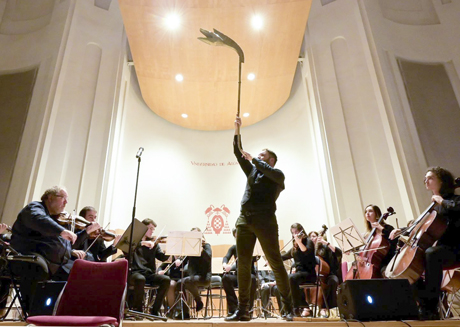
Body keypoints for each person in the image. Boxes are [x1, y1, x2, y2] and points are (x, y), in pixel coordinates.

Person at [225, 116, 293, 322]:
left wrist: (254, 159)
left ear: (271, 160)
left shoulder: (278, 175)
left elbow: (264, 168)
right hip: (244, 220)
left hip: (265, 221)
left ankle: (288, 308)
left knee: (275, 263)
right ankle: (243, 309)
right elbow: (238, 152)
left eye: (263, 155)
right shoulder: (253, 171)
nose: (258, 156)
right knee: (243, 264)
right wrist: (237, 130)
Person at [9, 186, 100, 311]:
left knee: (81, 270)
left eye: (67, 199)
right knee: (39, 265)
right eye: (62, 197)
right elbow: (38, 219)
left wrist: (86, 232)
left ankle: (70, 311)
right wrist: (61, 230)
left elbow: (69, 243)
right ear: (50, 198)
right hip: (30, 259)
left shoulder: (55, 219)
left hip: (56, 264)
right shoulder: (35, 208)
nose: (66, 202)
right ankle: (34, 313)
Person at [390, 167, 460, 320]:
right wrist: (401, 231)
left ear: (442, 181)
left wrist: (442, 201)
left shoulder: (454, 201)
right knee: (405, 267)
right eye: (425, 178)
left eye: (430, 178)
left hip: (456, 249)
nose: (425, 180)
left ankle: (431, 305)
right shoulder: (434, 207)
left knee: (431, 254)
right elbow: (418, 226)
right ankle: (426, 305)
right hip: (441, 250)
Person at [128, 218, 170, 316]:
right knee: (140, 279)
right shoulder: (133, 241)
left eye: (153, 229)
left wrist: (170, 249)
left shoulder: (154, 244)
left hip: (149, 274)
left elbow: (162, 258)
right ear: (142, 228)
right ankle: (138, 310)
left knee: (166, 279)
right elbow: (127, 249)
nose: (152, 231)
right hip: (135, 273)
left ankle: (155, 310)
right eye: (150, 228)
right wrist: (142, 243)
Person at [174, 227, 212, 320]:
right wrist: (178, 259)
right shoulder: (190, 248)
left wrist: (201, 249)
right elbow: (184, 260)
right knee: (179, 283)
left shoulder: (206, 246)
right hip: (192, 277)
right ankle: (184, 312)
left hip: (204, 278)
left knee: (187, 281)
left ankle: (198, 301)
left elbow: (208, 259)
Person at [281, 223, 316, 317]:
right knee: (285, 280)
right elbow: (285, 256)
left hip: (309, 273)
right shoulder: (295, 246)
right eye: (293, 233)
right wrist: (272, 259)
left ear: (301, 231)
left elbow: (306, 252)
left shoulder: (308, 241)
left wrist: (299, 241)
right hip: (299, 274)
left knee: (292, 278)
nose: (295, 234)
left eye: (296, 232)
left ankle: (296, 308)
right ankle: (289, 308)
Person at [221, 228, 258, 316]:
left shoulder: (251, 246)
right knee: (226, 278)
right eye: (236, 236)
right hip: (238, 276)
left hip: (249, 275)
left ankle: (248, 309)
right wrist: (225, 264)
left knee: (252, 279)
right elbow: (226, 257)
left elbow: (257, 257)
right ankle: (233, 308)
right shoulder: (234, 247)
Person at [308, 230, 342, 317]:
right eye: (310, 237)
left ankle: (325, 308)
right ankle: (306, 308)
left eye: (314, 236)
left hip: (328, 273)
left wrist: (325, 242)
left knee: (333, 281)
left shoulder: (325, 248)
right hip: (315, 275)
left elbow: (338, 253)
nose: (312, 238)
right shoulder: (308, 250)